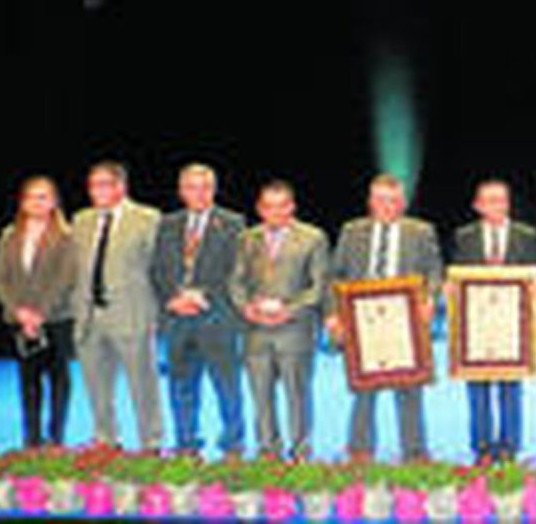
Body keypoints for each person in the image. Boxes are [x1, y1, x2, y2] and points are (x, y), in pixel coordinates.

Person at [327, 174, 443, 463]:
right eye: (381, 200)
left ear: (402, 203)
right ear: (370, 202)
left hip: (407, 324)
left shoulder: (421, 231)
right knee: (364, 391)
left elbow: (434, 272)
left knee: (409, 389)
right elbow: (334, 275)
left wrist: (430, 299)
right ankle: (360, 451)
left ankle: (415, 453)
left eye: (393, 200)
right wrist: (333, 315)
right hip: (361, 323)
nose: (387, 206)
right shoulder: (351, 232)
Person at [150, 163, 247, 458]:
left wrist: (201, 296)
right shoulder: (166, 224)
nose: (199, 193)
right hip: (177, 319)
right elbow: (156, 270)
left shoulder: (233, 224)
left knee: (227, 388)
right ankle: (187, 444)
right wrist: (172, 299)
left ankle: (232, 445)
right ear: (181, 191)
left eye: (205, 187)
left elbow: (237, 272)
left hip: (217, 319)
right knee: (181, 388)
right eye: (191, 187)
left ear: (214, 190)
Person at [229, 180, 330, 461]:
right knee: (260, 397)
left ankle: (300, 452)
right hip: (256, 330)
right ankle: (267, 451)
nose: (276, 212)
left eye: (282, 206)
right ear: (260, 209)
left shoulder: (313, 238)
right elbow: (236, 281)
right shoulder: (247, 239)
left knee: (297, 396)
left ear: (292, 207)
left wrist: (290, 310)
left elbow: (318, 286)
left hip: (294, 331)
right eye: (269, 206)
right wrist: (245, 307)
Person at [70, 161, 165, 452]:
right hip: (89, 315)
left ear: (120, 186)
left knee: (143, 385)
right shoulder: (81, 220)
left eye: (104, 184)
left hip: (132, 314)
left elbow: (159, 268)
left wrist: (157, 310)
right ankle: (106, 439)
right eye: (92, 185)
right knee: (97, 386)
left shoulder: (148, 218)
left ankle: (151, 442)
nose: (96, 191)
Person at [451, 180, 536, 464]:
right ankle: (481, 448)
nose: (496, 206)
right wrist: (450, 287)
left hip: (513, 326)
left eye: (501, 200)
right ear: (477, 206)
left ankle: (509, 447)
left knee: (511, 386)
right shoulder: (464, 237)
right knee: (477, 386)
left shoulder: (526, 235)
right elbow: (456, 276)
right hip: (475, 326)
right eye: (489, 201)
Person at [0, 177, 78, 448]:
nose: (37, 202)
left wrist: (40, 313)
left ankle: (56, 438)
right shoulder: (9, 235)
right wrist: (19, 312)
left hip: (56, 319)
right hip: (19, 320)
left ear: (54, 202)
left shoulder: (67, 236)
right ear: (22, 202)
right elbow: (0, 278)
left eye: (43, 197)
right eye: (31, 197)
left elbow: (66, 278)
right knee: (28, 382)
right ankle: (31, 439)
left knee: (58, 381)